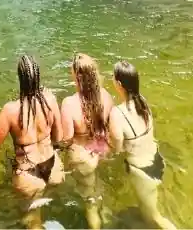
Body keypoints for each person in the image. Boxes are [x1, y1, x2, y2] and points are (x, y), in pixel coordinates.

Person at [0, 55, 64, 229]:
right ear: (38, 77)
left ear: (20, 78)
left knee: (32, 221)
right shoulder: (50, 100)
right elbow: (59, 137)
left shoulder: (10, 110)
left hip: (28, 177)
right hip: (54, 169)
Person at [110, 61, 176, 229]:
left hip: (142, 172)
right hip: (157, 161)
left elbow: (117, 148)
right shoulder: (143, 102)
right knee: (148, 216)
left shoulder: (117, 113)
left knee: (155, 218)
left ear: (119, 84)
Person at [59, 53, 115, 229]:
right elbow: (109, 126)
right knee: (98, 190)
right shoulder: (105, 96)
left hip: (84, 156)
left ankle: (96, 224)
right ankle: (105, 215)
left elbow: (67, 139)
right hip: (103, 150)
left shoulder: (69, 103)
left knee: (89, 202)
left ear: (77, 76)